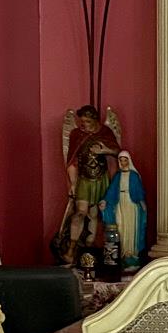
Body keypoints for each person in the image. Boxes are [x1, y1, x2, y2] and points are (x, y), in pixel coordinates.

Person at [55, 105, 119, 263]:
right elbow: (71, 160)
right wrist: (73, 183)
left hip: (101, 178)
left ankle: (88, 251)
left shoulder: (105, 132)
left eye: (88, 122)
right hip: (84, 179)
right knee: (80, 212)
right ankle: (71, 248)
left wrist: (105, 151)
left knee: (94, 214)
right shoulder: (77, 134)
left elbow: (118, 151)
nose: (84, 125)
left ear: (95, 120)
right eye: (82, 121)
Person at [102, 151, 148, 271]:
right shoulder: (118, 176)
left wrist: (142, 203)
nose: (123, 162)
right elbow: (111, 191)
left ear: (129, 161)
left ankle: (131, 255)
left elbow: (139, 191)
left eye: (125, 160)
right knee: (120, 227)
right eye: (121, 160)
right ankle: (121, 256)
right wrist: (105, 201)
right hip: (120, 204)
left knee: (131, 229)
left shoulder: (134, 175)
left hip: (131, 204)